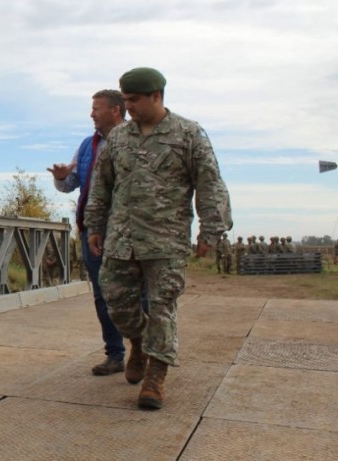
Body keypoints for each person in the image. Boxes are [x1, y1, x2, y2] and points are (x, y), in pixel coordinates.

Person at [84, 67, 231, 410]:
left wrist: (211, 230)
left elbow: (210, 183)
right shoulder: (119, 138)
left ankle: (155, 378)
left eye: (134, 100)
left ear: (156, 96)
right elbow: (102, 184)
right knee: (117, 302)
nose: (129, 106)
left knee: (163, 308)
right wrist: (95, 225)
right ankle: (137, 342)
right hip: (121, 238)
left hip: (166, 241)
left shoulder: (188, 134)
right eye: (125, 100)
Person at [49, 89, 148, 376]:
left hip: (129, 232)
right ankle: (115, 354)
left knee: (138, 295)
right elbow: (72, 186)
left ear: (116, 110)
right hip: (92, 230)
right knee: (102, 295)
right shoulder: (86, 145)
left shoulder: (137, 139)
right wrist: (60, 178)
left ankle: (142, 351)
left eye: (96, 108)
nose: (91, 114)